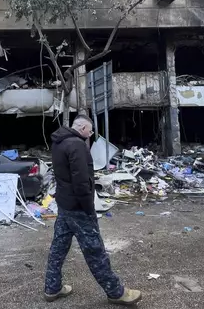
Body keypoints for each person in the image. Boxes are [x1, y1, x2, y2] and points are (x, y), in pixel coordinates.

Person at [44, 115, 142, 306]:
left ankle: (52, 288)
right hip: (78, 207)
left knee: (58, 248)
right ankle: (116, 292)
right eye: (89, 131)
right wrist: (89, 209)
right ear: (81, 127)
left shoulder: (58, 142)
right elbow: (81, 182)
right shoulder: (77, 145)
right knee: (95, 250)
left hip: (64, 204)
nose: (90, 135)